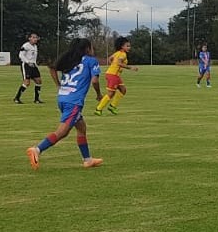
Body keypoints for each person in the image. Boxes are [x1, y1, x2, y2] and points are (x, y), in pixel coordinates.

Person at [26, 37, 104, 170]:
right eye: (91, 47)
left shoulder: (70, 59)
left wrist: (58, 85)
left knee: (81, 128)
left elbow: (52, 68)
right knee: (62, 132)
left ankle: (88, 160)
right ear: (87, 49)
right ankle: (37, 149)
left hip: (62, 98)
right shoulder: (92, 61)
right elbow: (95, 81)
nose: (93, 49)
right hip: (73, 102)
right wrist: (98, 94)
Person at [95, 36, 138, 115]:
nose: (129, 47)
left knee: (123, 90)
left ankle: (112, 106)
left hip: (114, 75)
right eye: (127, 46)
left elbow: (109, 58)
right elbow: (119, 63)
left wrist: (113, 65)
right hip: (113, 75)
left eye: (129, 46)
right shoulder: (123, 54)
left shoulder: (117, 53)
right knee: (111, 93)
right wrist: (130, 67)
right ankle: (98, 109)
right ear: (122, 46)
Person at [13, 32, 44, 104]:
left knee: (38, 81)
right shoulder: (26, 46)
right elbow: (21, 55)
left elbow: (34, 57)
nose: (35, 39)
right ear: (29, 38)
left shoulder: (35, 46)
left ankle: (36, 99)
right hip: (26, 65)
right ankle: (17, 98)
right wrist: (28, 62)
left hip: (33, 65)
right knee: (27, 82)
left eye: (36, 37)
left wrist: (35, 63)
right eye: (33, 37)